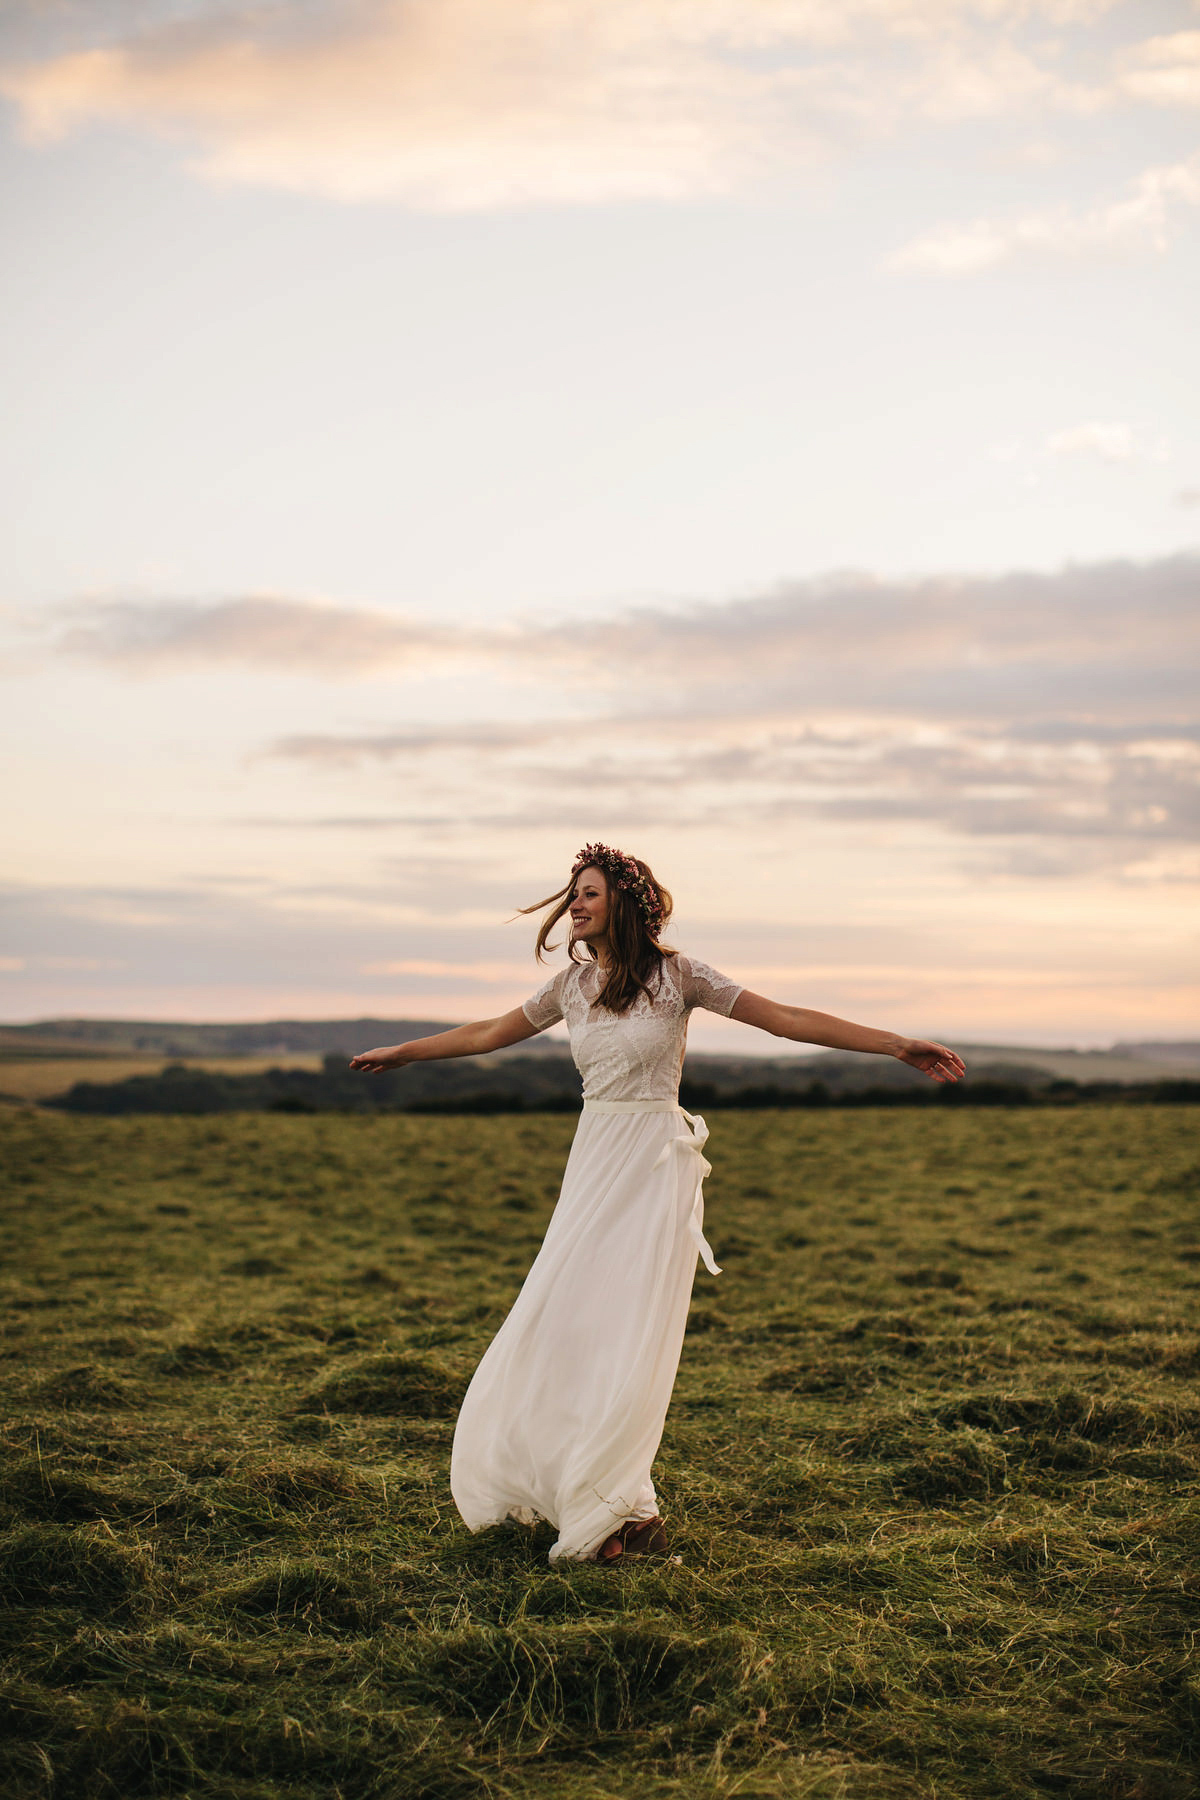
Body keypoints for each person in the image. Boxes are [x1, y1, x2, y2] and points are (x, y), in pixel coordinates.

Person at [350, 843, 964, 1565]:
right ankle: (604, 1500)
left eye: (588, 894)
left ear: (625, 904)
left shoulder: (681, 977)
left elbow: (786, 1020)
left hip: (652, 1165)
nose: (574, 905)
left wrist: (894, 1044)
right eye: (571, 894)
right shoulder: (569, 990)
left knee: (626, 1330)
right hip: (594, 1161)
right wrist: (403, 1053)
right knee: (568, 1320)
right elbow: (487, 1035)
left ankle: (623, 1510)